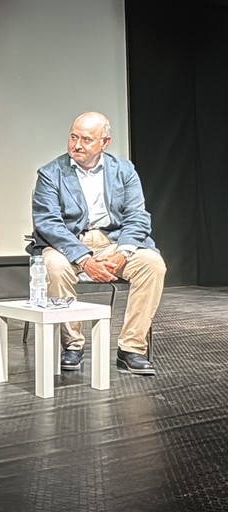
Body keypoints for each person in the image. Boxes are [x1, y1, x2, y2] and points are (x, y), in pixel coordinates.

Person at [28, 111, 166, 376]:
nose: (77, 145)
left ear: (105, 142)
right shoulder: (50, 173)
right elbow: (48, 223)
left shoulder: (124, 170)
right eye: (73, 136)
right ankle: (73, 346)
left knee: (152, 264)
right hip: (69, 242)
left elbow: (138, 216)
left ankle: (131, 349)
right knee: (54, 267)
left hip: (115, 241)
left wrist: (124, 252)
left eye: (86, 139)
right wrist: (84, 259)